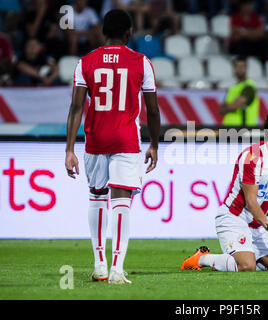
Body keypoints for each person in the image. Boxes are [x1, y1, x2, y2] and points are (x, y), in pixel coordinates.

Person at [65, 9, 161, 284]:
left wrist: (69, 149)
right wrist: (154, 144)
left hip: (95, 138)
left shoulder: (86, 62)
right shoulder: (141, 62)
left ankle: (99, 265)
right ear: (129, 34)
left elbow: (75, 107)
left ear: (103, 32)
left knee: (96, 198)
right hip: (125, 140)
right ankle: (117, 268)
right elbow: (153, 111)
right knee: (121, 201)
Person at [181, 110, 268, 272]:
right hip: (234, 219)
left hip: (258, 224)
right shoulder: (253, 156)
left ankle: (243, 255)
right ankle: (201, 258)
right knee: (246, 266)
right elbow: (250, 201)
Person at [219, 56, 259, 127]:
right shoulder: (232, 88)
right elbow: (221, 110)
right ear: (233, 69)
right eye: (237, 66)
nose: (240, 69)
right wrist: (230, 106)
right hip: (229, 130)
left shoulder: (249, 87)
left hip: (243, 130)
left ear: (246, 68)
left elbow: (233, 107)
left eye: (242, 66)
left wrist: (227, 106)